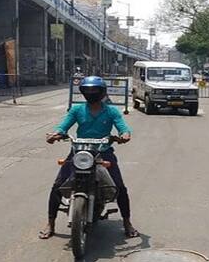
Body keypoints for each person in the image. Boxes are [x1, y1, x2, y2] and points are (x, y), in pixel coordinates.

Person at [39, 76, 138, 239]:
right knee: (58, 185)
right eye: (88, 90)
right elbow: (64, 125)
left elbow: (122, 126)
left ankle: (127, 222)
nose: (91, 93)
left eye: (95, 90)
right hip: (79, 151)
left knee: (119, 186)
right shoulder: (77, 110)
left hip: (103, 152)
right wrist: (56, 134)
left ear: (102, 92)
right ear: (83, 92)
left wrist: (124, 134)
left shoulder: (111, 111)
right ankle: (51, 223)